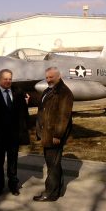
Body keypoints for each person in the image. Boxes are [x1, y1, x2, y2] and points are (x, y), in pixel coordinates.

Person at [0, 69, 30, 197]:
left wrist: (25, 130)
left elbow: (23, 113)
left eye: (10, 79)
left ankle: (13, 186)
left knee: (13, 163)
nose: (8, 81)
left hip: (14, 136)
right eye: (5, 79)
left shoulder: (18, 92)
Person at [33, 67, 73, 201]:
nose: (48, 80)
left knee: (52, 166)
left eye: (51, 77)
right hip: (46, 133)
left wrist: (58, 135)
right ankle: (58, 190)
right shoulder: (48, 90)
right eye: (47, 77)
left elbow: (64, 117)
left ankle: (50, 193)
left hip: (54, 136)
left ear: (58, 76)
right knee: (53, 164)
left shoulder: (64, 92)